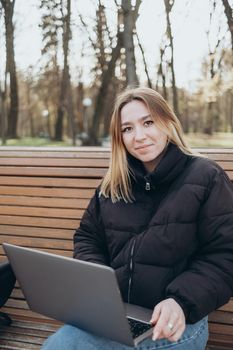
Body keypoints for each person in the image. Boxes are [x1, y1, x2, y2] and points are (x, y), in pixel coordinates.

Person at [42, 87, 233, 350]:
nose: (139, 136)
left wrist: (180, 300)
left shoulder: (206, 177)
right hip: (117, 316)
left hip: (178, 319)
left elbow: (225, 254)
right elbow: (88, 237)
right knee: (60, 346)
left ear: (168, 122)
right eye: (128, 129)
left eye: (148, 122)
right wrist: (99, 284)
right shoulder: (113, 185)